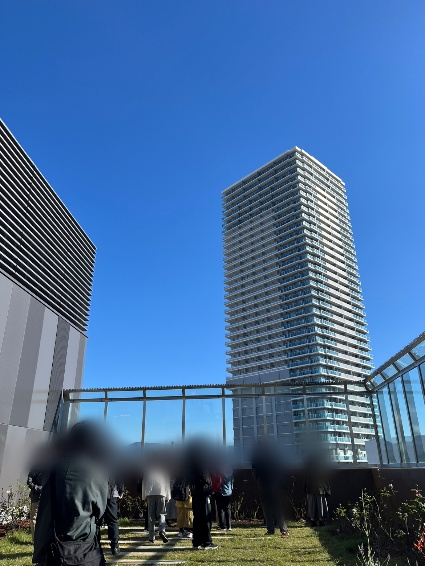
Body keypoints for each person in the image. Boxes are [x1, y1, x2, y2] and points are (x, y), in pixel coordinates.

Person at [33, 421, 110, 566]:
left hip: (53, 549)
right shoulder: (97, 472)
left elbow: (45, 504)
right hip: (84, 550)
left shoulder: (52, 469)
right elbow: (100, 511)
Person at [251, 440, 289, 537]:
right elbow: (279, 469)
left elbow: (254, 472)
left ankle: (270, 529)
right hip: (273, 484)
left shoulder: (256, 457)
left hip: (262, 484)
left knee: (266, 507)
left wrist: (258, 481)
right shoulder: (273, 455)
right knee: (277, 506)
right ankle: (283, 529)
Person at [187, 447, 218, 550]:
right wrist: (209, 483)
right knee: (205, 517)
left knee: (197, 517)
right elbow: (204, 475)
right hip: (203, 491)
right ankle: (206, 542)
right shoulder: (200, 460)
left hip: (195, 491)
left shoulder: (188, 462)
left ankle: (196, 541)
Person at [142, 462, 171, 543]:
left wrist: (144, 496)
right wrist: (168, 496)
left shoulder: (147, 470)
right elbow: (167, 484)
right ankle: (162, 530)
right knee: (161, 514)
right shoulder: (163, 471)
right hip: (161, 493)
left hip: (150, 493)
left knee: (151, 515)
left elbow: (144, 483)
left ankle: (151, 537)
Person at [304, 458, 331, 527]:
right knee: (320, 505)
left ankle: (313, 520)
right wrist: (327, 489)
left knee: (312, 505)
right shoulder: (320, 467)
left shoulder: (308, 467)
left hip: (311, 488)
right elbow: (324, 479)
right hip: (319, 488)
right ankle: (320, 520)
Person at [103, 478, 124, 555]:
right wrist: (121, 490)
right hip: (112, 491)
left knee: (96, 519)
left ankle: (95, 545)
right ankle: (115, 546)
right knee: (112, 519)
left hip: (98, 490)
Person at [27, 465, 47, 541]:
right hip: (37, 497)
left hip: (44, 498)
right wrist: (40, 489)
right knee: (35, 518)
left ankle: (39, 539)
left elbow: (29, 482)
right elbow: (29, 482)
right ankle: (36, 539)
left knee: (40, 518)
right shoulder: (36, 468)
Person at [172, 475, 193, 539]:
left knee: (185, 513)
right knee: (184, 513)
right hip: (183, 494)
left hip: (183, 494)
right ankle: (185, 530)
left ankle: (185, 530)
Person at [215, 467, 233, 532]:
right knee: (227, 509)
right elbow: (232, 480)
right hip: (228, 491)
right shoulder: (230, 470)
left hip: (219, 491)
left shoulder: (217, 470)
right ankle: (229, 525)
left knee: (220, 509)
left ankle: (222, 525)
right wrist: (231, 488)